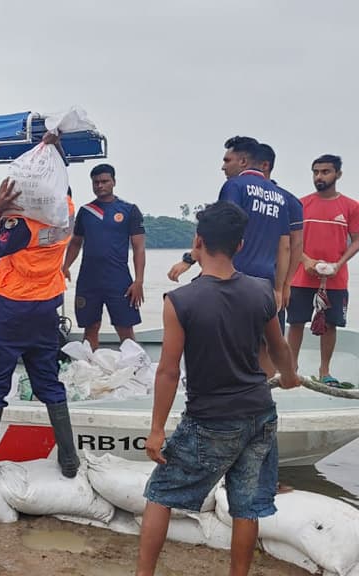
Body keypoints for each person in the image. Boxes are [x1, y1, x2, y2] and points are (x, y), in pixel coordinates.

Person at [136, 202, 299, 576]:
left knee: (160, 493)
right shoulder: (261, 292)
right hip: (259, 415)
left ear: (198, 242)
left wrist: (157, 429)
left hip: (210, 420)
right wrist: (289, 376)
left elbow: (167, 372)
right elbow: (278, 349)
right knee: (246, 505)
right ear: (240, 245)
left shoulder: (180, 301)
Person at [0, 133, 80, 478]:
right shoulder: (66, 213)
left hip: (12, 309)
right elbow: (61, 185)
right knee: (48, 380)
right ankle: (69, 458)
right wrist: (55, 149)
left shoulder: (21, 225)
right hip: (46, 309)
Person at [168, 136, 291, 377]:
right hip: (265, 283)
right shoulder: (278, 195)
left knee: (220, 343)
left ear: (243, 161)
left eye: (227, 160)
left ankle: (220, 393)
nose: (223, 166)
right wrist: (278, 288)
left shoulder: (235, 186)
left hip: (234, 280)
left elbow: (221, 227)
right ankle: (262, 398)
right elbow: (284, 246)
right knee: (264, 346)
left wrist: (188, 259)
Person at [287, 155, 359, 388]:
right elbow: (291, 240)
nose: (319, 177)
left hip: (335, 279)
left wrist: (339, 264)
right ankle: (291, 368)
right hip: (301, 277)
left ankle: (325, 371)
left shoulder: (351, 207)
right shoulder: (301, 204)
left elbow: (356, 240)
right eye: (316, 172)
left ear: (337, 174)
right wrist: (305, 260)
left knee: (330, 324)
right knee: (296, 322)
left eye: (325, 172)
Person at [62, 163, 146, 349]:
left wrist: (139, 281)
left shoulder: (129, 210)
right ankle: (89, 370)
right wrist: (65, 266)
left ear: (114, 182)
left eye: (104, 181)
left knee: (125, 328)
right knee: (90, 328)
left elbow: (139, 248)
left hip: (119, 279)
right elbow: (76, 242)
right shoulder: (86, 211)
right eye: (95, 182)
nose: (100, 186)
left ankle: (134, 370)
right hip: (88, 280)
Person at [254, 143, 304, 334]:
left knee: (268, 340)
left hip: (270, 282)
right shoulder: (242, 193)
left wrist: (284, 285)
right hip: (257, 282)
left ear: (265, 166)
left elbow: (294, 245)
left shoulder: (288, 200)